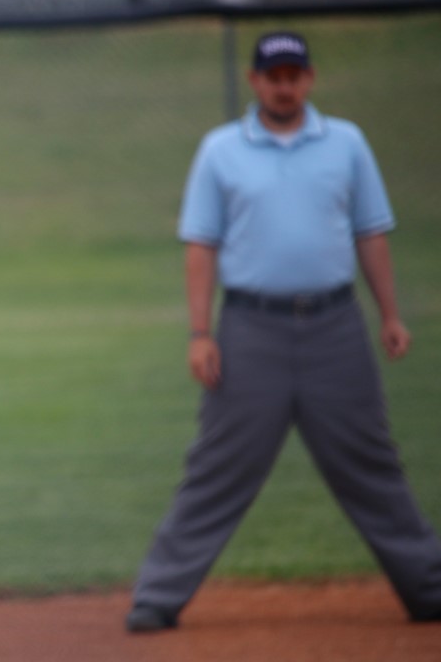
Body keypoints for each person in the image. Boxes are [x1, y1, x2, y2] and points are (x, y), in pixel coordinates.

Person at [125, 31, 441, 633]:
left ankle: (429, 588)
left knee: (371, 462)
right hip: (251, 328)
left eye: (294, 75)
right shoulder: (222, 150)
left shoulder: (346, 143)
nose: (284, 86)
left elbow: (370, 232)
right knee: (219, 467)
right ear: (255, 82)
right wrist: (200, 333)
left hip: (336, 326)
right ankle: (157, 597)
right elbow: (201, 245)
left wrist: (391, 315)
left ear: (310, 79)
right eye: (274, 76)